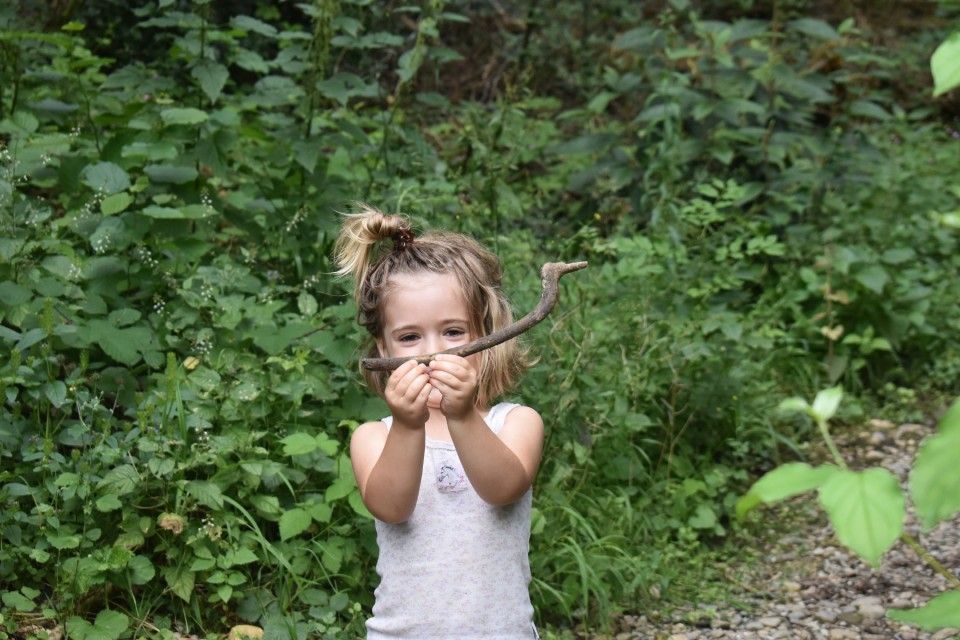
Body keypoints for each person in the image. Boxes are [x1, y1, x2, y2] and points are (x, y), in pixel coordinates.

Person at [334, 204, 545, 639]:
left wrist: (462, 415)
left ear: (487, 334)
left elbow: (502, 489)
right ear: (382, 346)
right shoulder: (375, 437)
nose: (434, 353)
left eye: (453, 332)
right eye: (410, 338)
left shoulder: (517, 423)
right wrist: (409, 427)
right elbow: (391, 509)